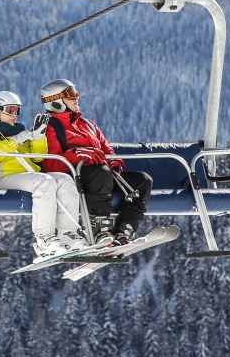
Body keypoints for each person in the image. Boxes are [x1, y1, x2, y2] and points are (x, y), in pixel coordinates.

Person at [0, 90, 86, 258]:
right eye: (10, 110)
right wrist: (17, 139)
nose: (15, 115)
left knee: (63, 180)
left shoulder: (19, 130)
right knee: (44, 182)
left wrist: (39, 138)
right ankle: (44, 238)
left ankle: (68, 234)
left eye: (17, 110)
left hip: (29, 175)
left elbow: (37, 159)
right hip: (3, 178)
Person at [39, 78, 152, 247]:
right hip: (76, 179)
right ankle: (98, 231)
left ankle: (123, 231)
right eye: (70, 94)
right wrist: (77, 155)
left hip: (102, 176)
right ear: (55, 101)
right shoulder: (50, 128)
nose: (77, 96)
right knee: (100, 172)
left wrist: (114, 162)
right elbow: (50, 165)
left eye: (75, 92)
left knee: (142, 181)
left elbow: (107, 149)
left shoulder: (88, 125)